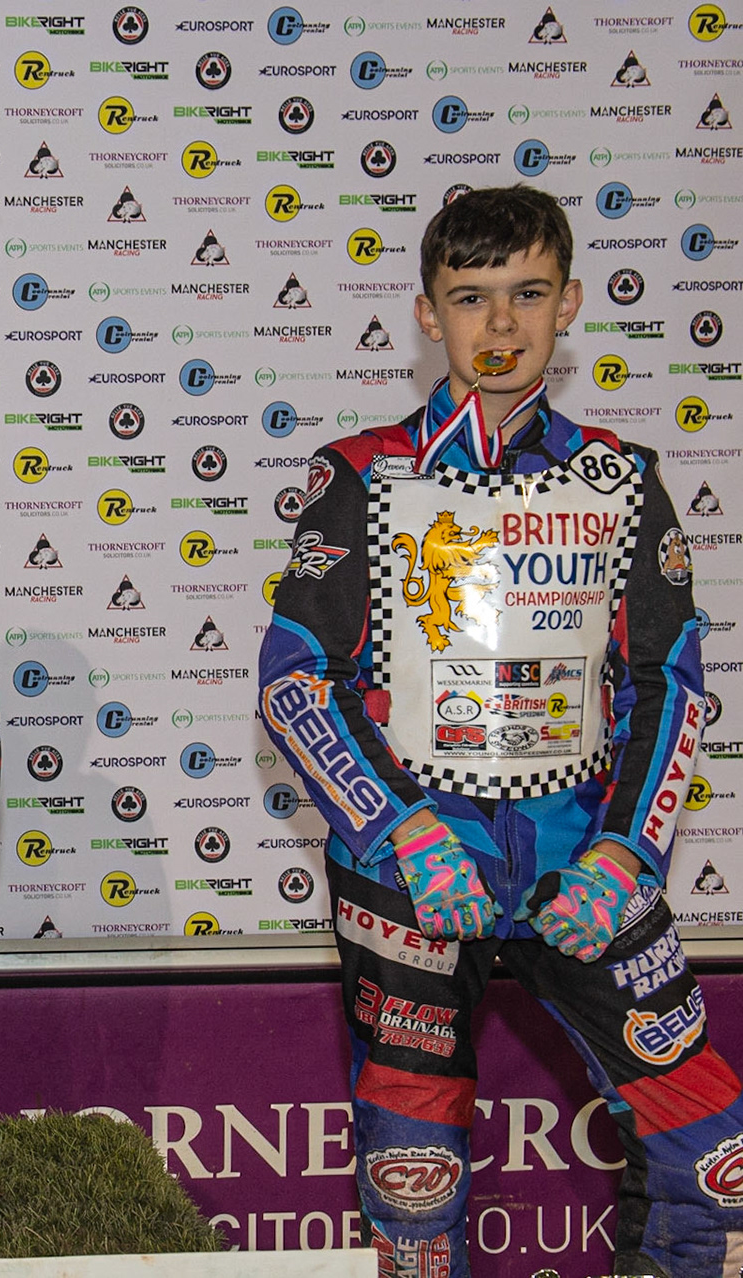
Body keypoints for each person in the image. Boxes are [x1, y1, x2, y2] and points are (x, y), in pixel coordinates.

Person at [260, 184, 743, 1277]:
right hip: (414, 875)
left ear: (570, 301)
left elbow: (670, 683)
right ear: (429, 315)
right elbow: (297, 681)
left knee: (718, 1160)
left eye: (528, 294)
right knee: (414, 1193)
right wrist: (399, 833)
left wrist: (631, 850)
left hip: (587, 863)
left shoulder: (620, 479)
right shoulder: (362, 472)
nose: (502, 326)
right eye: (471, 299)